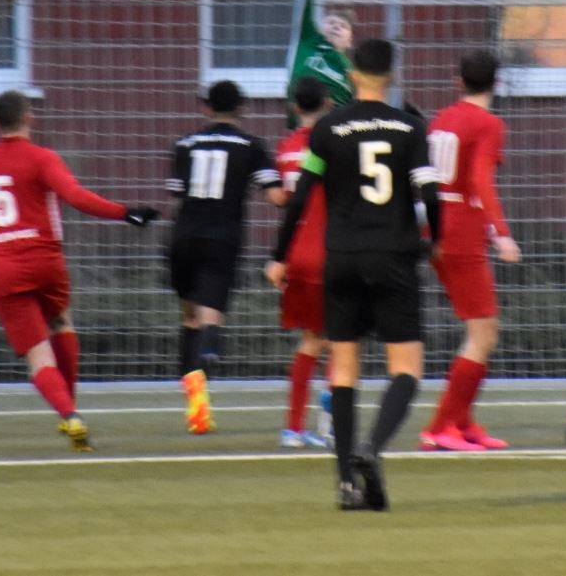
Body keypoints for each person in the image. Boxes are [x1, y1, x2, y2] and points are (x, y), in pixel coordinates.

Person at [266, 38, 441, 512]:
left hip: (341, 257)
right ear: (392, 75)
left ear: (352, 75)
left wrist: (278, 256)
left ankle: (346, 485)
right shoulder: (411, 127)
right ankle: (373, 447)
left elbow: (301, 196)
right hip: (394, 255)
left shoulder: (327, 128)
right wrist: (435, 239)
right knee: (406, 368)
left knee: (343, 368)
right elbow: (429, 193)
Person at [0, 90, 158, 452]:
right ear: (30, 117)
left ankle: (69, 414)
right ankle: (70, 407)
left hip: (3, 267)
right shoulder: (43, 158)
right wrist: (126, 213)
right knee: (61, 322)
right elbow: (75, 196)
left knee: (38, 356)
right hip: (45, 261)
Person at [167, 80, 286, 434]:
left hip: (184, 235)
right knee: (210, 318)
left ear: (206, 108)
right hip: (223, 237)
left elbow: (176, 194)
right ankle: (207, 358)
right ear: (241, 108)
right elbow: (277, 197)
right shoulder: (251, 146)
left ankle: (195, 400)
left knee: (189, 317)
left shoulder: (185, 144)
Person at [417, 50, 521, 452]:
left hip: (436, 225)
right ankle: (440, 427)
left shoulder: (442, 118)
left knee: (482, 330)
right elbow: (480, 179)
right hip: (462, 230)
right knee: (483, 332)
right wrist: (502, 233)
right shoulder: (488, 123)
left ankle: (462, 422)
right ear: (497, 83)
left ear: (458, 81)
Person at [273, 76, 334, 449]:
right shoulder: (331, 145)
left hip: (295, 252)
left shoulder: (286, 148)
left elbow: (285, 199)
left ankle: (293, 428)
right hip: (328, 250)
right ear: (327, 104)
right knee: (339, 340)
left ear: (295, 107)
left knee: (311, 340)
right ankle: (331, 424)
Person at [284, 0, 363, 120]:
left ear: (350, 41)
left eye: (343, 26)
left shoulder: (352, 73)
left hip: (335, 134)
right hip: (301, 130)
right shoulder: (307, 40)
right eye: (331, 22)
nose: (336, 27)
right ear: (320, 27)